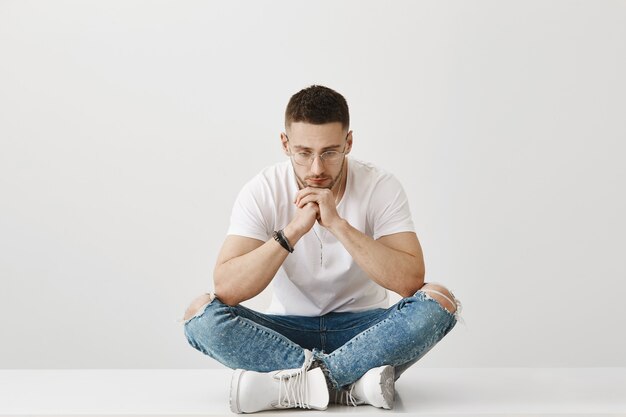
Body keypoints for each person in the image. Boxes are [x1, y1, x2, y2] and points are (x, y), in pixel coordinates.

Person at [182, 85, 462, 413]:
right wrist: (292, 231)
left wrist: (338, 224)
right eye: (303, 153)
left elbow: (410, 281)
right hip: (286, 333)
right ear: (285, 144)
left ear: (349, 143)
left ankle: (296, 386)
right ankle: (351, 386)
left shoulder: (380, 186)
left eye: (329, 152)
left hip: (366, 332)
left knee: (439, 302)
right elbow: (227, 288)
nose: (316, 169)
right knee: (200, 314)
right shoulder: (262, 189)